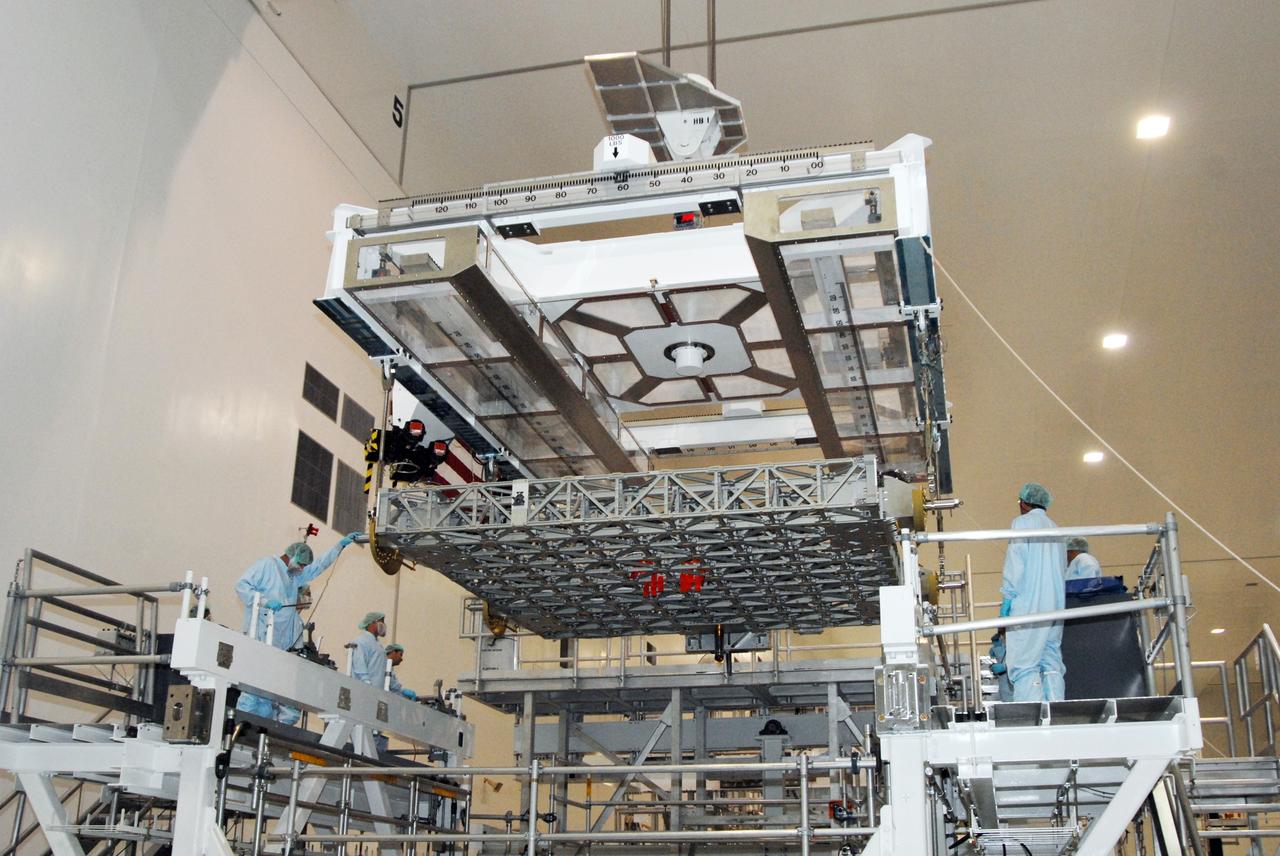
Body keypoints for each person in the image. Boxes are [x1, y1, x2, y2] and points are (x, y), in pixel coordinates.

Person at [234, 532, 361, 723]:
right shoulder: (268, 565)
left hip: (278, 646)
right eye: (301, 564)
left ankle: (258, 732)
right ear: (291, 556)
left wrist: (339, 546)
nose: (302, 569)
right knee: (253, 691)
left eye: (303, 567)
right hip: (260, 637)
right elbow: (242, 585)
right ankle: (240, 727)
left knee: (267, 698)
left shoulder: (294, 577)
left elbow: (318, 567)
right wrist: (264, 602)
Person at [999, 482, 1068, 702]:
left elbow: (1016, 563)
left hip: (1029, 602)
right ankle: (1056, 707)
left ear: (1023, 503)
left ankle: (1032, 712)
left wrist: (1008, 597)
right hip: (1055, 604)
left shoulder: (1022, 523)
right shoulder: (1057, 530)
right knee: (1050, 657)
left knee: (1025, 661)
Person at [377, 643, 419, 754]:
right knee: (377, 738)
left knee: (383, 735)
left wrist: (402, 694)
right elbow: (392, 686)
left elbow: (393, 688)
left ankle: (379, 754)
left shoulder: (388, 668)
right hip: (380, 708)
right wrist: (403, 693)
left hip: (385, 711)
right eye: (400, 654)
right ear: (393, 652)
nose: (401, 659)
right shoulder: (382, 665)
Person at [351, 611, 390, 688]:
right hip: (365, 689)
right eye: (382, 621)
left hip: (377, 690)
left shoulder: (378, 645)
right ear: (372, 623)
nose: (384, 625)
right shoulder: (361, 641)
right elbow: (359, 665)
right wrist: (366, 682)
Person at [988, 632, 1013, 701]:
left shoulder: (1016, 646)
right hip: (1004, 685)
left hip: (1018, 687)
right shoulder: (997, 649)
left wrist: (1005, 667)